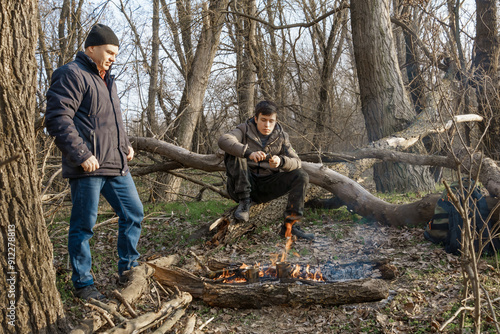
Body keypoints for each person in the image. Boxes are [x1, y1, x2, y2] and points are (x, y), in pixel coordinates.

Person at [45, 24, 144, 300]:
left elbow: (111, 120)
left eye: (116, 53)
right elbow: (57, 119)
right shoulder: (71, 74)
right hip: (87, 167)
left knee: (133, 213)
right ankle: (83, 284)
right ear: (91, 48)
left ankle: (128, 270)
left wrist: (125, 145)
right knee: (83, 226)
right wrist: (82, 154)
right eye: (109, 51)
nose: (114, 57)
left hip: (115, 165)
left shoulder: (107, 79)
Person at [218, 100, 313, 240]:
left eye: (271, 121)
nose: (267, 125)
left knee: (301, 176)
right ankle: (244, 203)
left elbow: (297, 162)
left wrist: (282, 162)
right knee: (233, 153)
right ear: (256, 119)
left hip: (267, 185)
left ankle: (291, 226)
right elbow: (224, 140)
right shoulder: (244, 129)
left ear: (275, 120)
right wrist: (248, 153)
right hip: (241, 185)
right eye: (263, 120)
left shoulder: (282, 136)